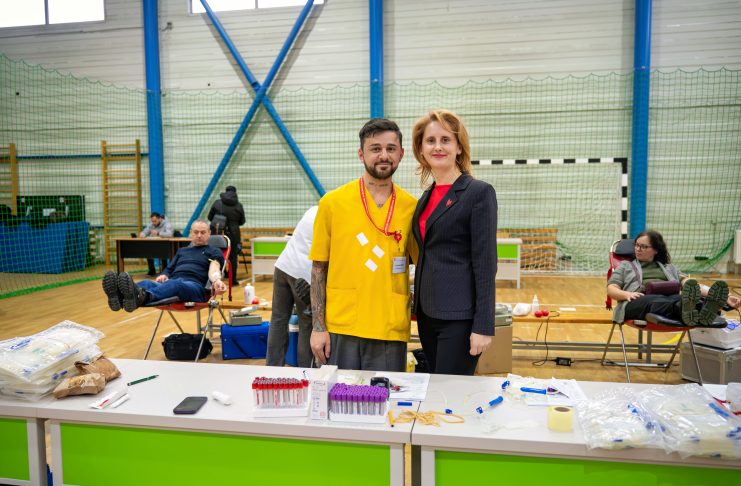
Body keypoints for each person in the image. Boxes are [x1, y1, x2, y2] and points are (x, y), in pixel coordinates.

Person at [309, 118, 417, 372]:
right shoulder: (332, 203)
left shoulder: (412, 207)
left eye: (391, 148)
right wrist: (318, 327)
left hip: (390, 327)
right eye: (375, 148)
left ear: (401, 154)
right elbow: (318, 268)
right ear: (361, 154)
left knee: (385, 396)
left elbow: (424, 267)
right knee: (341, 396)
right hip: (342, 325)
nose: (384, 155)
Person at [410, 109, 498, 376]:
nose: (437, 147)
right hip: (428, 316)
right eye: (430, 141)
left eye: (445, 140)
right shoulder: (425, 198)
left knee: (452, 393)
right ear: (421, 149)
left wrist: (483, 325)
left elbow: (485, 265)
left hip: (459, 318)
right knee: (436, 389)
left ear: (459, 147)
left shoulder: (478, 193)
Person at [607, 229, 740, 326]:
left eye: (643, 246)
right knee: (657, 301)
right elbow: (611, 288)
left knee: (682, 298)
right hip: (637, 301)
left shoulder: (669, 267)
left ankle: (702, 308)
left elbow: (691, 287)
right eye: (636, 245)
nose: (638, 249)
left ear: (656, 250)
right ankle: (698, 308)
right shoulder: (626, 265)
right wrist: (627, 294)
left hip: (669, 299)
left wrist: (726, 297)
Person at [103, 220, 226, 312]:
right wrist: (164, 275)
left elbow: (214, 268)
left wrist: (216, 280)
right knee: (147, 283)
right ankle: (119, 297)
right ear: (191, 233)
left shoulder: (214, 251)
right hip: (172, 283)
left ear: (209, 233)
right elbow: (169, 268)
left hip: (195, 288)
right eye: (196, 232)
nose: (199, 235)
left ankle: (144, 296)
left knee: (174, 284)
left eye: (203, 232)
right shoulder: (182, 251)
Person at [265, 206, 318, 368]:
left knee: (278, 319)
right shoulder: (334, 216)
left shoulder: (313, 210)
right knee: (306, 324)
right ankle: (306, 373)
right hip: (304, 274)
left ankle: (273, 369)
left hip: (283, 266)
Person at [208, 185, 245, 285]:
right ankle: (233, 280)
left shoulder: (217, 203)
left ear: (225, 191)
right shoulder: (238, 205)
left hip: (218, 233)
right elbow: (242, 221)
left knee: (217, 254)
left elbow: (210, 217)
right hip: (233, 233)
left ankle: (217, 276)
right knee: (233, 257)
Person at [139, 212, 174, 276]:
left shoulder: (167, 224)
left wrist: (158, 233)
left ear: (160, 219)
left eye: (155, 221)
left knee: (163, 252)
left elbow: (170, 234)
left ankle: (164, 271)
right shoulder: (151, 224)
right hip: (154, 243)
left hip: (165, 245)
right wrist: (142, 234)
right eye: (152, 221)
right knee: (148, 251)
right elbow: (145, 231)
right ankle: (152, 270)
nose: (153, 223)